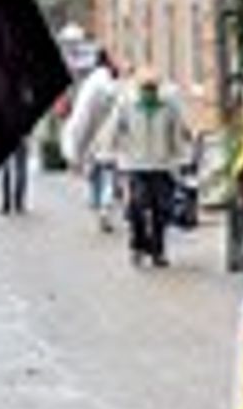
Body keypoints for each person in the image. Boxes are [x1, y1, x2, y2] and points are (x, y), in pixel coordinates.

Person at [107, 65, 189, 267]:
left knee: (162, 210)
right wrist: (110, 153)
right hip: (136, 165)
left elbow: (177, 132)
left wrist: (182, 159)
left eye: (152, 88)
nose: (149, 92)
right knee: (137, 206)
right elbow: (114, 129)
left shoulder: (169, 106)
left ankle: (158, 251)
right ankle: (138, 245)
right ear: (139, 88)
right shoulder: (127, 104)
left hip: (163, 165)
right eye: (145, 87)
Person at [62, 49, 121, 231]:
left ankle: (99, 206)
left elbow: (81, 118)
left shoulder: (90, 86)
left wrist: (75, 151)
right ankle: (104, 208)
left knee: (96, 174)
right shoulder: (112, 85)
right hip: (107, 140)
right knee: (107, 175)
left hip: (93, 142)